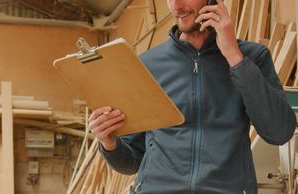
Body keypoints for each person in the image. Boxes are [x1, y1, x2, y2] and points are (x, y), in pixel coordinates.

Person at [88, 0, 297, 193]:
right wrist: (109, 143)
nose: (177, 6)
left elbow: (279, 132)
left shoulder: (252, 57)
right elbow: (131, 162)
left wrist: (234, 56)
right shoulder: (147, 65)